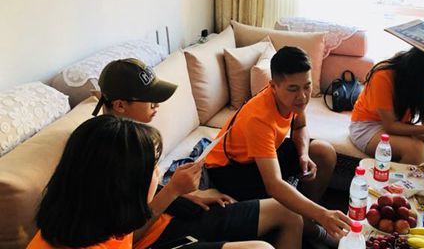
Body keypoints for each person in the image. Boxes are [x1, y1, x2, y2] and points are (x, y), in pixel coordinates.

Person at [94, 58, 301, 249]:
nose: (157, 104)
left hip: (172, 213)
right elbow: (127, 238)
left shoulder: (135, 139)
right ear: (120, 105)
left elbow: (144, 194)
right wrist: (173, 191)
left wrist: (188, 197)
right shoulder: (106, 157)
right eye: (149, 98)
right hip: (154, 238)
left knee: (287, 212)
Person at [28, 116, 272, 249]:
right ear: (123, 186)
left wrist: (182, 194)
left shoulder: (96, 214)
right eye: (152, 168)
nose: (158, 173)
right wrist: (173, 191)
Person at [204, 46, 352, 244]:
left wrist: (303, 155)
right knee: (286, 206)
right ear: (273, 86)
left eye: (307, 86)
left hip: (263, 154)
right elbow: (273, 185)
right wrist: (323, 214)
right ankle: (313, 228)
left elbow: (300, 127)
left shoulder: (294, 100)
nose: (302, 96)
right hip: (231, 169)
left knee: (323, 152)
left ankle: (307, 219)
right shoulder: (259, 118)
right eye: (293, 88)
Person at [349, 48, 424, 165]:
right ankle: (392, 177)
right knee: (416, 150)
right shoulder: (382, 76)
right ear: (420, 76)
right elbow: (390, 126)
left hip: (397, 124)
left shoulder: (421, 82)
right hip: (367, 126)